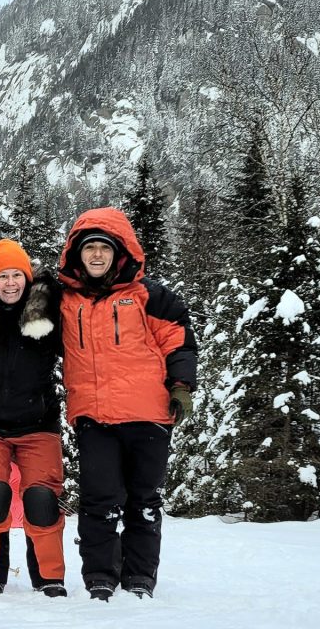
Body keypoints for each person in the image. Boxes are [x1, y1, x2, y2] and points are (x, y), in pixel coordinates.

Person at [57, 207, 197, 601]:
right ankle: (100, 575)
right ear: (77, 254)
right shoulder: (66, 300)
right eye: (89, 249)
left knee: (143, 501)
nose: (96, 256)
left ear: (119, 253)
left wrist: (182, 385)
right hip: (94, 417)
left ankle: (139, 577)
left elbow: (179, 342)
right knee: (98, 500)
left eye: (104, 248)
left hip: (148, 415)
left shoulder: (151, 296)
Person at [0, 239, 67, 598]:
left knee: (41, 499)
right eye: (2, 276)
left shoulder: (48, 312)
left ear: (27, 277)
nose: (10, 283)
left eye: (17, 276)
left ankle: (49, 578)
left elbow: (86, 350)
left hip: (38, 425)